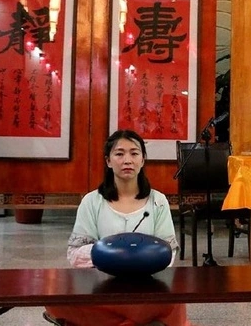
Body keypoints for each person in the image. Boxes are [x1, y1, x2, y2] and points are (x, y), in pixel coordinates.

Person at [45, 129, 192, 326]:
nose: (127, 160)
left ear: (143, 160)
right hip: (102, 286)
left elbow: (169, 251)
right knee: (54, 297)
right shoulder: (91, 201)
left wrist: (139, 261)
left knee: (176, 301)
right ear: (108, 161)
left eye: (134, 153)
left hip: (146, 285)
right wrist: (114, 256)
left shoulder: (158, 201)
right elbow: (75, 253)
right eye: (119, 154)